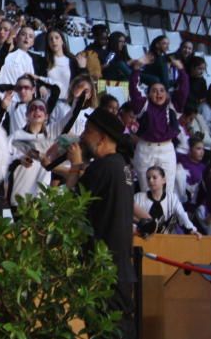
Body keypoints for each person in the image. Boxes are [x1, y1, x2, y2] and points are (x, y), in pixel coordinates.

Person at [65, 108, 136, 339]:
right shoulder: (121, 166)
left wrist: (75, 165)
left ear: (102, 138)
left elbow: (71, 207)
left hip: (103, 271)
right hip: (120, 270)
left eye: (88, 131)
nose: (83, 137)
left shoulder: (103, 167)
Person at [129, 52, 187, 192]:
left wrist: (181, 71)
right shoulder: (143, 106)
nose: (158, 94)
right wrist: (137, 69)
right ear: (148, 94)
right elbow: (133, 89)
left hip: (167, 150)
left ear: (167, 94)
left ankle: (166, 214)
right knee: (146, 189)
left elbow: (183, 91)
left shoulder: (173, 106)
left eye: (162, 90)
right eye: (154, 91)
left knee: (167, 190)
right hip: (145, 150)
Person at [133, 165, 199, 236]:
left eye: (154, 177)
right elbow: (130, 218)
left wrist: (192, 229)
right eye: (148, 178)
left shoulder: (172, 198)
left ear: (163, 180)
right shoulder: (138, 197)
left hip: (167, 238)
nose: (150, 180)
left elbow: (182, 215)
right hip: (143, 237)